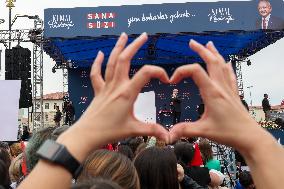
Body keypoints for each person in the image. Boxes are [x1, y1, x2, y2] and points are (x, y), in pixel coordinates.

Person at [17, 33, 284, 189]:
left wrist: (78, 136)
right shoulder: (206, 176)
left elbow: (40, 154)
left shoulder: (37, 164)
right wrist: (257, 141)